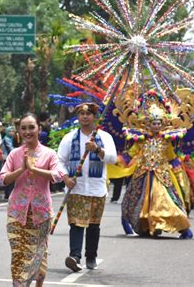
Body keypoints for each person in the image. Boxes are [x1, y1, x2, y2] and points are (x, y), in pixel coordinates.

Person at [0, 113, 64, 287]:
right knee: (19, 256)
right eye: (24, 128)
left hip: (40, 215)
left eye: (31, 127)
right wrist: (21, 169)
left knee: (37, 256)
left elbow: (58, 176)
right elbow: (2, 179)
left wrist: (35, 169)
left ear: (39, 129)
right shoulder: (14, 154)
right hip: (16, 213)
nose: (28, 131)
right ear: (19, 130)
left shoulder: (49, 154)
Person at [57, 103, 117, 271]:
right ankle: (75, 256)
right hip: (76, 188)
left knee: (93, 224)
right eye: (81, 113)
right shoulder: (69, 138)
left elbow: (112, 159)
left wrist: (97, 149)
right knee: (75, 223)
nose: (84, 116)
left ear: (94, 116)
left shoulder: (104, 137)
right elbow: (59, 161)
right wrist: (66, 177)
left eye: (88, 113)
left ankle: (91, 256)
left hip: (97, 189)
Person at [121, 105, 193, 239]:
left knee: (167, 201)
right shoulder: (141, 140)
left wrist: (179, 171)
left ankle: (183, 229)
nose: (156, 126)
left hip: (161, 175)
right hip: (142, 175)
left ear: (162, 124)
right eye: (153, 123)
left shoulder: (167, 140)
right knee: (134, 200)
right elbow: (131, 154)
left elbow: (172, 157)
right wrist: (120, 161)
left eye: (158, 123)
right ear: (149, 124)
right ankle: (147, 226)